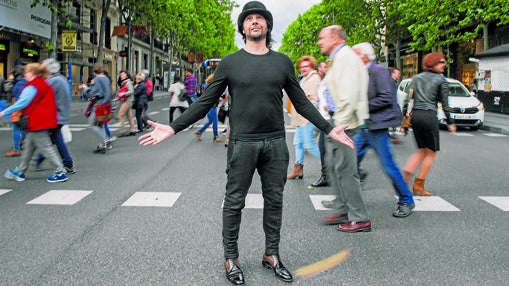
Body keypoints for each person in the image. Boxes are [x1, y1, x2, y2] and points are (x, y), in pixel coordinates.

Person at [138, 2, 353, 284]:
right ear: (242, 27)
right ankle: (231, 258)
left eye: (260, 18)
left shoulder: (282, 62)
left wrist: (329, 128)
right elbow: (205, 102)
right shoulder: (230, 63)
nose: (254, 22)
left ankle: (271, 255)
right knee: (234, 202)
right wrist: (173, 127)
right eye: (249, 18)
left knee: (275, 201)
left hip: (275, 143)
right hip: (242, 143)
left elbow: (300, 102)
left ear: (267, 26)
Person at [317, 25, 372, 233]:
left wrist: (339, 125)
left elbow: (348, 96)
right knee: (334, 166)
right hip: (338, 120)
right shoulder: (339, 57)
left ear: (335, 37)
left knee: (346, 170)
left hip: (343, 124)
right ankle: (343, 208)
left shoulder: (346, 58)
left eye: (322, 38)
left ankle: (359, 218)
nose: (319, 42)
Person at [352, 43, 415, 218]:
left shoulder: (378, 71)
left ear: (364, 55)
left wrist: (362, 105)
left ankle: (406, 200)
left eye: (355, 53)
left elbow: (387, 98)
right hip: (364, 127)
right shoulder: (362, 72)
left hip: (377, 127)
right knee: (350, 162)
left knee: (389, 166)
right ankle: (348, 196)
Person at [1, 63, 68, 183]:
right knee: (29, 147)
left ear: (31, 73)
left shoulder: (34, 86)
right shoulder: (41, 83)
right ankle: (20, 171)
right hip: (39, 120)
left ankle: (60, 171)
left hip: (38, 120)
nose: (24, 73)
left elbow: (22, 103)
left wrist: (4, 112)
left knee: (46, 147)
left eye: (26, 71)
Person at [402, 52, 456, 196]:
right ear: (432, 64)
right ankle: (419, 184)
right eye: (441, 62)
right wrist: (451, 122)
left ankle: (407, 172)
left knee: (422, 150)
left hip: (416, 116)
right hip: (429, 115)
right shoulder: (441, 80)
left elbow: (407, 100)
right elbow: (445, 104)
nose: (444, 65)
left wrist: (404, 120)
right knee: (431, 152)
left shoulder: (416, 78)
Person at [32, 58, 76, 174]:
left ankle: (67, 163)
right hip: (61, 115)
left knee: (51, 139)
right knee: (52, 138)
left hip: (55, 116)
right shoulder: (61, 79)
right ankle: (39, 160)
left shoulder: (52, 81)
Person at [287, 55, 321, 180]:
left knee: (309, 144)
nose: (303, 69)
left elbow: (315, 100)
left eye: (306, 66)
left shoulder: (314, 79)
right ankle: (298, 170)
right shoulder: (306, 79)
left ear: (312, 66)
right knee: (298, 143)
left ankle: (330, 166)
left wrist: (305, 100)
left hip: (308, 117)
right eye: (301, 67)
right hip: (301, 118)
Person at [81, 64, 113, 154]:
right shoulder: (106, 79)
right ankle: (103, 144)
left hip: (99, 105)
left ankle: (104, 141)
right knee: (101, 125)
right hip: (106, 104)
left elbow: (91, 94)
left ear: (94, 72)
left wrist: (85, 88)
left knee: (92, 124)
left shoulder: (96, 80)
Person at [310, 61, 331, 188]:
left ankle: (327, 176)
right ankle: (326, 176)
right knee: (323, 148)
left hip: (331, 120)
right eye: (324, 66)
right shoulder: (324, 81)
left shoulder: (332, 80)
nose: (325, 68)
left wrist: (331, 105)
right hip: (324, 119)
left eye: (327, 66)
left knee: (326, 149)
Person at [194, 73, 224, 143]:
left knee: (210, 121)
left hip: (209, 106)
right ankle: (216, 136)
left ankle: (199, 132)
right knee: (215, 121)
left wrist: (218, 97)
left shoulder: (208, 86)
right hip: (211, 106)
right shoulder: (211, 86)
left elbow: (211, 95)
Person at [5, 66, 26, 157]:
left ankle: (16, 149)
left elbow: (13, 95)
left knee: (16, 128)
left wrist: (10, 82)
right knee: (23, 128)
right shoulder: (24, 81)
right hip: (24, 108)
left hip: (18, 108)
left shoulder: (19, 83)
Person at [115, 70, 137, 136]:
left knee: (120, 115)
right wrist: (117, 98)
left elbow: (131, 91)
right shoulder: (124, 82)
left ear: (126, 75)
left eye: (123, 74)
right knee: (129, 116)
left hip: (128, 101)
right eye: (121, 74)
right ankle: (132, 130)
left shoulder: (128, 82)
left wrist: (123, 94)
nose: (121, 76)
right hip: (127, 100)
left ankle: (123, 131)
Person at [389, 67, 402, 144]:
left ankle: (392, 136)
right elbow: (391, 96)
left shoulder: (392, 82)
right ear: (393, 73)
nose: (399, 75)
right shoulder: (391, 82)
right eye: (398, 73)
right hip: (391, 106)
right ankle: (391, 136)